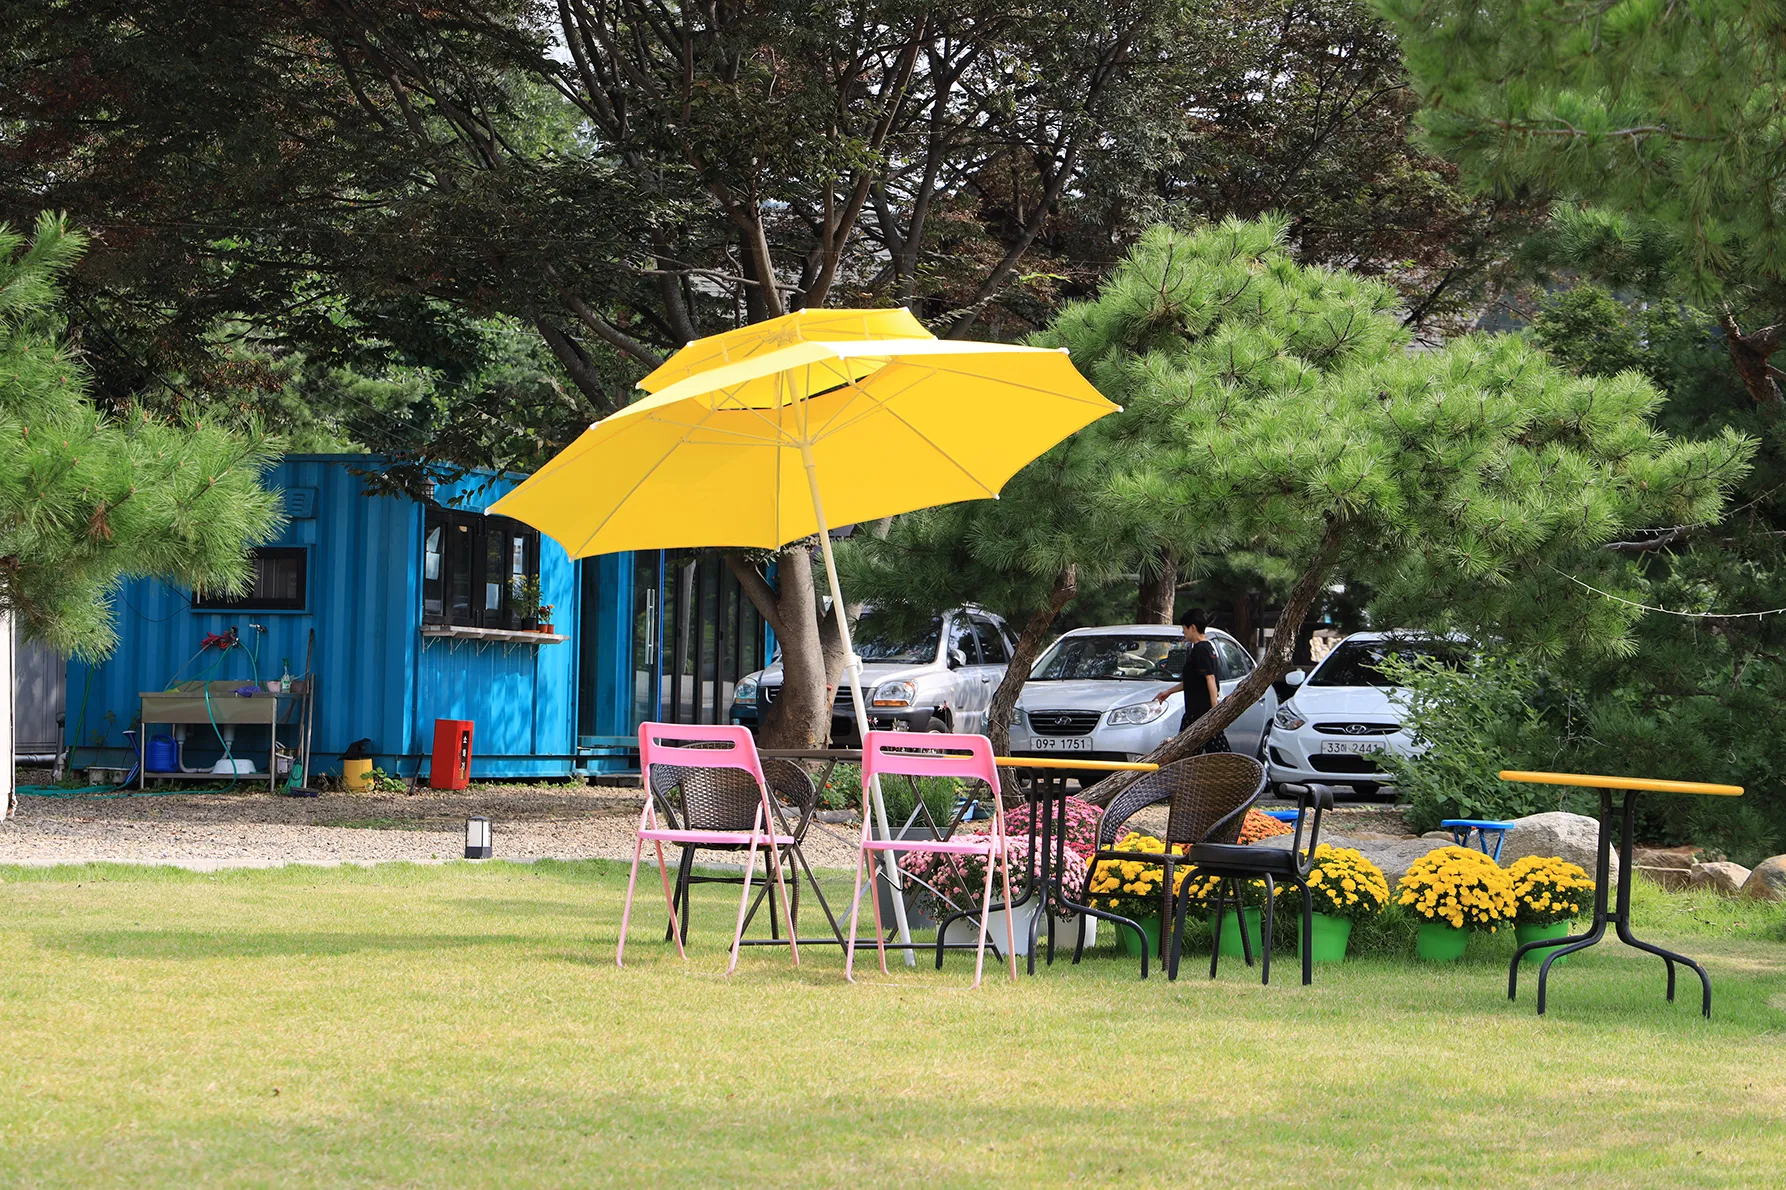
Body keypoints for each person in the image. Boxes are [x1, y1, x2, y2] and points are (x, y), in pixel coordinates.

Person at [1150, 607, 1231, 753]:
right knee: (1193, 753)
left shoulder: (1200, 650)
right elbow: (1193, 681)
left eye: (1184, 629)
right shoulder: (1208, 648)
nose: (1184, 633)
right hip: (1195, 712)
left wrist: (1215, 709)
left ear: (1192, 627)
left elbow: (1210, 678)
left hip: (1201, 713)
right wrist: (1169, 692)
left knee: (1192, 753)